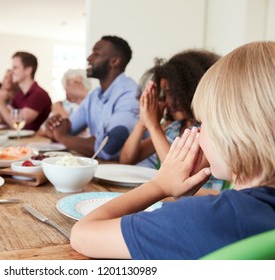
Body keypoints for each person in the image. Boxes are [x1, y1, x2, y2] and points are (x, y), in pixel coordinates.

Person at [70, 41, 275, 260]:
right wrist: (145, 123)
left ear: (231, 129)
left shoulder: (204, 219)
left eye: (204, 122)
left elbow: (83, 234)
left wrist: (159, 186)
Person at [119, 50, 224, 190]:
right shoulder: (173, 127)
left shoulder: (209, 131)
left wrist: (154, 126)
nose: (168, 101)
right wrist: (142, 123)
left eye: (172, 92)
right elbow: (127, 160)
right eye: (166, 93)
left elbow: (181, 174)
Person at [45, 35, 139, 160]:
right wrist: (54, 126)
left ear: (114, 61)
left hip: (133, 174)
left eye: (96, 54)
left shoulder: (131, 94)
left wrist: (62, 137)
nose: (89, 58)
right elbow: (68, 129)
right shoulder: (94, 96)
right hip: (104, 169)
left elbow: (109, 147)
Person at [0, 52, 52, 131]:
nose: (11, 72)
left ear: (28, 70)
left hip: (35, 141)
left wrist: (0, 102)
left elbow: (16, 123)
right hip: (21, 140)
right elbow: (4, 121)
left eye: (15, 68)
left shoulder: (39, 94)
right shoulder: (19, 95)